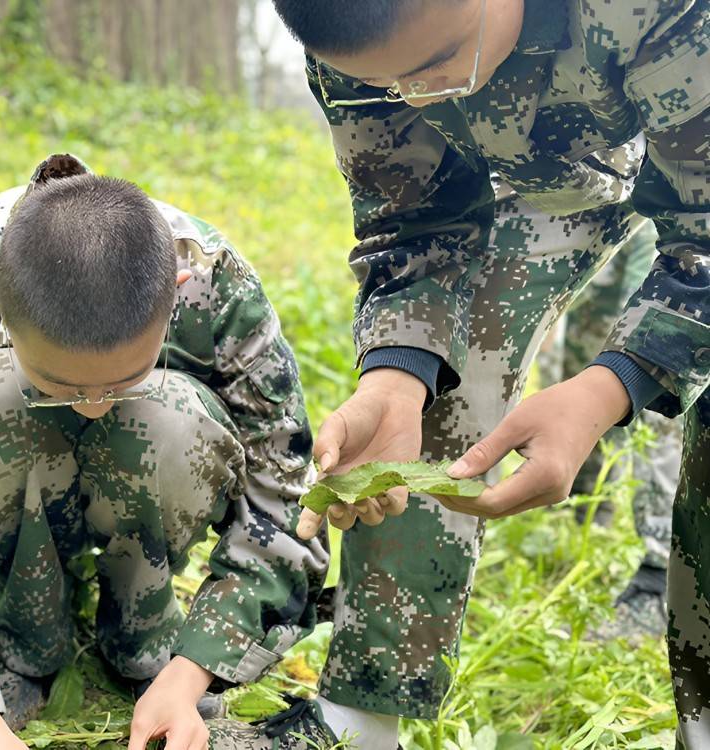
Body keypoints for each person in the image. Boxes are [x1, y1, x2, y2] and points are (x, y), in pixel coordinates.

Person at [245, 1, 708, 747]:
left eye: (440, 64)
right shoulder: (354, 37)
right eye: (390, 85)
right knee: (434, 387)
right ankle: (357, 722)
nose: (424, 98)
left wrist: (609, 386)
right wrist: (396, 378)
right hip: (539, 182)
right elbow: (411, 221)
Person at [0, 154, 329, 749]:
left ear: (174, 296)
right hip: (4, 469)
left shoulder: (216, 284)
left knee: (169, 418)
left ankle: (144, 637)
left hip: (159, 469)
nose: (93, 405)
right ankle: (23, 639)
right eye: (62, 385)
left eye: (124, 378)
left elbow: (287, 503)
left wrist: (193, 670)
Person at [535, 221, 682, 640]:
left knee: (662, 333)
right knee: (596, 316)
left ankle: (662, 581)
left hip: (688, 177)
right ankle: (582, 507)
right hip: (620, 167)